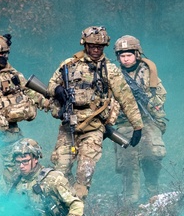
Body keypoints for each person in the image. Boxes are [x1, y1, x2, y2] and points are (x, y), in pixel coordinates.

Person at [47, 25, 144, 199]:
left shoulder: (110, 70)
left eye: (99, 47)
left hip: (93, 127)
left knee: (84, 174)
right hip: (69, 125)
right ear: (85, 45)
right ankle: (64, 206)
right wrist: (57, 91)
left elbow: (126, 97)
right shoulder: (69, 65)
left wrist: (137, 126)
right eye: (92, 46)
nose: (96, 50)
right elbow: (51, 85)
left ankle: (77, 213)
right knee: (60, 171)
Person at [113, 34, 167, 203]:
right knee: (128, 161)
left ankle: (153, 191)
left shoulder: (147, 72)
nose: (126, 59)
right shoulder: (114, 75)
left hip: (148, 120)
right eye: (122, 56)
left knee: (152, 155)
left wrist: (148, 102)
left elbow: (160, 94)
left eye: (129, 55)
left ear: (136, 54)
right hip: (124, 122)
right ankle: (131, 200)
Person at [8, 138, 84, 216]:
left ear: (36, 159)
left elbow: (76, 204)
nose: (21, 166)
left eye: (25, 161)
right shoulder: (16, 184)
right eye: (18, 162)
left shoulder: (52, 179)